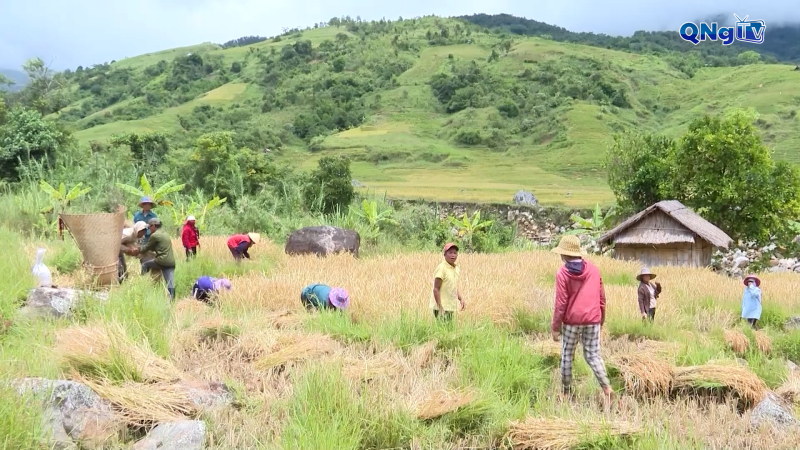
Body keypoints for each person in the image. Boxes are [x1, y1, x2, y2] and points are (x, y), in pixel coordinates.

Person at [550, 235, 613, 400]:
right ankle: (607, 388)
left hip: (572, 321)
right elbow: (602, 299)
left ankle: (566, 391)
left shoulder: (562, 273)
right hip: (593, 320)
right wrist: (601, 319)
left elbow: (561, 303)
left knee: (567, 355)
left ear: (564, 254)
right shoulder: (593, 270)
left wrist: (555, 328)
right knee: (593, 355)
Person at [136, 218, 176, 301]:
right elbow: (156, 247)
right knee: (170, 283)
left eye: (149, 227)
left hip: (161, 261)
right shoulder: (165, 234)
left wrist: (137, 249)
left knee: (145, 264)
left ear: (153, 226)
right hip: (171, 262)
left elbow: (146, 248)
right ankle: (172, 301)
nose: (148, 229)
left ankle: (142, 282)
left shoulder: (154, 235)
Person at [430, 242, 465, 322]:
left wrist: (461, 299)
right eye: (450, 253)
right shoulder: (442, 268)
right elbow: (436, 289)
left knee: (448, 331)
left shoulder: (456, 268)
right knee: (442, 331)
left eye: (455, 253)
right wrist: (440, 308)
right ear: (444, 254)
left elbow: (453, 286)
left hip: (450, 306)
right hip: (441, 307)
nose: (453, 255)